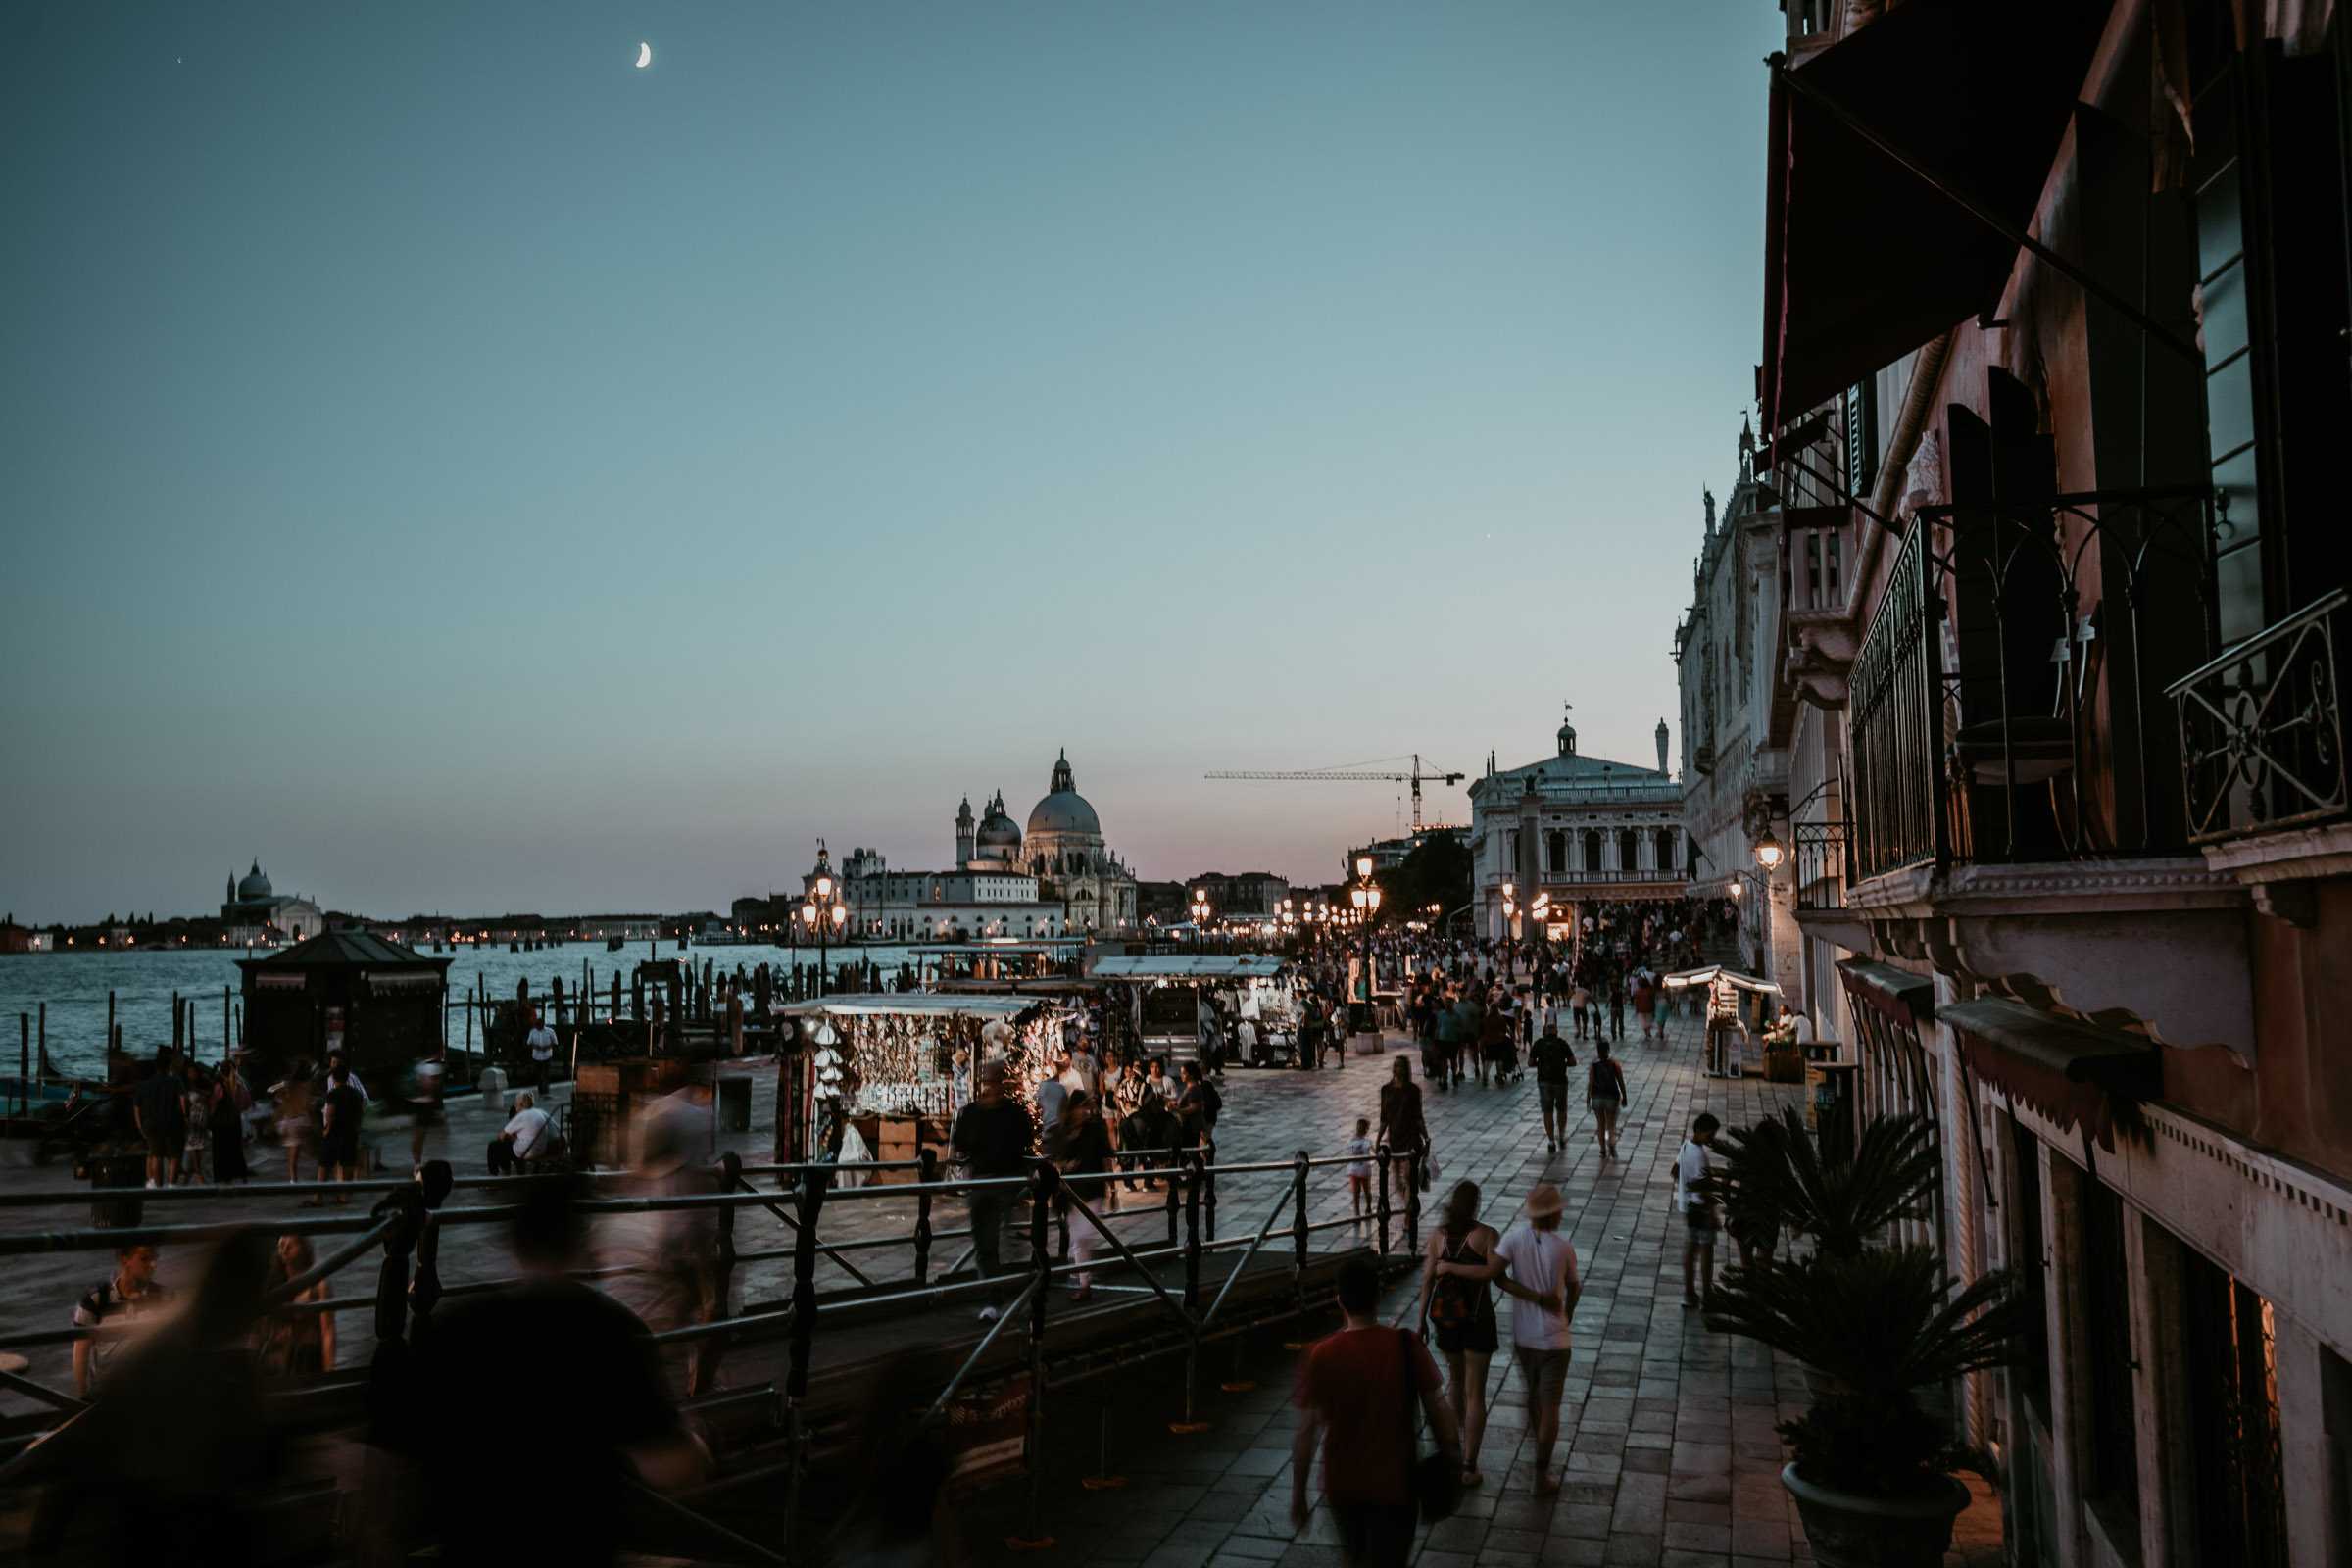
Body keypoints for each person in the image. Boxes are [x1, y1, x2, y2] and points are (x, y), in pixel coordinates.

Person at [407, 1177, 707, 1567]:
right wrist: (697, 1440)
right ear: (581, 1243)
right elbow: (671, 1465)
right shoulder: (608, 1332)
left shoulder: (458, 1326)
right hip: (574, 1549)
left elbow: (395, 1462)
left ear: (515, 1242)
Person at [1290, 1257, 1461, 1568]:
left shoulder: (1321, 1355)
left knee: (1354, 1556)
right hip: (1396, 1482)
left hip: (1342, 1482)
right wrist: (1452, 1455)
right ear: (1378, 1295)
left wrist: (1299, 1493)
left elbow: (1306, 1432)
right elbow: (1439, 1408)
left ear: (1339, 1300)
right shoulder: (1405, 1345)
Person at [1488, 1185, 1578, 1495]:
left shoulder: (1514, 1239)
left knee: (1533, 1397)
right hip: (1555, 1341)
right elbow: (1574, 1287)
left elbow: (1497, 1276)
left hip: (1524, 1338)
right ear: (1553, 1214)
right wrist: (1563, 1311)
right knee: (1551, 1405)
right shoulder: (1563, 1247)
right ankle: (1541, 1473)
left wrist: (1532, 1297)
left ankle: (1536, 1448)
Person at [1416, 1181, 1499, 1488]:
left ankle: (1453, 1450)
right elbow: (1493, 1273)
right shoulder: (1487, 1235)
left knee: (1455, 1382)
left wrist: (1421, 1319)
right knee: (1475, 1393)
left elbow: (1427, 1279)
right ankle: (1469, 1465)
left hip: (1446, 1321)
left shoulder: (1438, 1237)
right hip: (1478, 1321)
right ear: (1475, 1205)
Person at [951, 1061, 1031, 1322]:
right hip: (983, 1184)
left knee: (1007, 1242)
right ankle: (994, 1297)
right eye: (990, 1080)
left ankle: (1011, 1294)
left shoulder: (1014, 1114)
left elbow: (1024, 1144)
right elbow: (960, 1146)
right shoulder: (972, 1113)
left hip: (1007, 1184)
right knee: (986, 1243)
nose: (993, 1085)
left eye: (997, 1080)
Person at [71, 1242, 168, 1397]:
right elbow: (81, 1352)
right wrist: (82, 1396)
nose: (153, 1264)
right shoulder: (96, 1299)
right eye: (144, 1259)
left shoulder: (163, 1297)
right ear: (125, 1260)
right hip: (107, 1393)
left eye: (155, 1258)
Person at [1050, 1090, 1113, 1300]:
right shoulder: (1064, 1132)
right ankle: (1084, 1283)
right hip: (1071, 1191)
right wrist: (1066, 1165)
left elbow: (1106, 1157)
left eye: (1087, 1106)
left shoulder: (1095, 1128)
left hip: (1093, 1187)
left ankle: (1081, 1271)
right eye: (1081, 1106)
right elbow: (1057, 1159)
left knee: (1083, 1236)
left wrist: (1112, 1186)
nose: (1085, 1111)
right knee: (1078, 1239)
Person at [260, 1232, 335, 1377]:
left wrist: (329, 1370)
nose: (285, 1246)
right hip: (279, 1357)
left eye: (291, 1243)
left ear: (303, 1247)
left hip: (306, 1356)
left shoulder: (319, 1285)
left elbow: (328, 1330)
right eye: (282, 1242)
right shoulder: (274, 1281)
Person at [1677, 1113, 1722, 1307]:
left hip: (1690, 1207)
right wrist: (1712, 1213)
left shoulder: (1685, 1147)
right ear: (1700, 1131)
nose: (1712, 1140)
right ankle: (1707, 1295)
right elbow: (1703, 1188)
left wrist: (1684, 1188)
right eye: (1710, 1135)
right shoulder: (1700, 1156)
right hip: (1702, 1209)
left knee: (1691, 1249)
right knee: (1706, 1252)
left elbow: (1674, 1170)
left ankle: (1689, 1293)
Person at [1375, 1056, 1425, 1211]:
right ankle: (1408, 1205)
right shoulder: (1386, 1090)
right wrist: (1378, 1140)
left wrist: (1426, 1136)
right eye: (1395, 1066)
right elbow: (1384, 1118)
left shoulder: (1413, 1090)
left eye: (1401, 1066)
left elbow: (1418, 1116)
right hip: (1395, 1136)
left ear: (1406, 1069)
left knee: (1409, 1178)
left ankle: (1408, 1217)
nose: (1397, 1069)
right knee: (1396, 1180)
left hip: (1411, 1136)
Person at [133, 1049, 184, 1189]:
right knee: (174, 1155)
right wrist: (185, 1119)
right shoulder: (175, 1082)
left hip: (150, 1124)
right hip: (171, 1123)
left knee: (156, 1155)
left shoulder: (143, 1085)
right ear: (169, 1067)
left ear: (155, 1067)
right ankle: (172, 1184)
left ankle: (157, 1184)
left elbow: (137, 1108)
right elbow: (183, 1102)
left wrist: (140, 1126)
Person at [318, 1062, 366, 1201]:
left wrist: (327, 1129)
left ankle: (318, 1196)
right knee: (348, 1163)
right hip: (350, 1132)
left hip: (335, 1132)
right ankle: (345, 1196)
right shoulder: (356, 1093)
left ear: (334, 1078)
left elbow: (330, 1113)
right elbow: (360, 1112)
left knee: (324, 1164)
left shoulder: (333, 1093)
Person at [1529, 1020, 1575, 1154]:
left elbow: (1530, 1063)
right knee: (1561, 1110)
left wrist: (1540, 1064)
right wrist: (1563, 1064)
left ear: (1544, 1031)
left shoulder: (1538, 1044)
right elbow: (1573, 1062)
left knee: (1547, 1111)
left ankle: (1551, 1141)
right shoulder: (1562, 1043)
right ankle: (1561, 1136)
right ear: (1556, 1032)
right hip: (1560, 1081)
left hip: (1544, 1081)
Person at [489, 1091, 555, 1174]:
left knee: (494, 1146)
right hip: (541, 1149)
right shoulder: (538, 1112)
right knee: (511, 1145)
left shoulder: (522, 1115)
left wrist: (508, 1136)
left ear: (521, 1104)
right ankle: (515, 1171)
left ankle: (496, 1175)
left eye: (516, 1103)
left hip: (528, 1152)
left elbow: (501, 1135)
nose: (515, 1106)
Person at [272, 1063, 316, 1187]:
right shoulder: (306, 1087)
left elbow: (271, 1090)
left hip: (290, 1121)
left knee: (292, 1155)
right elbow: (309, 1105)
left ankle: (293, 1179)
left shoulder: (287, 1086)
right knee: (307, 1149)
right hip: (303, 1120)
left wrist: (281, 1085)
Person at [209, 1064, 251, 1184]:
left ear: (221, 1072)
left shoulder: (219, 1086)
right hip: (235, 1121)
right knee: (235, 1149)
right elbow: (247, 1103)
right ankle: (240, 1175)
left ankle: (223, 1178)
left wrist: (210, 1119)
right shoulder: (239, 1085)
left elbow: (213, 1103)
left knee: (220, 1151)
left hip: (221, 1122)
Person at [1588, 1041, 1628, 1160]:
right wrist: (1624, 1096)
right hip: (1612, 1097)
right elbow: (1620, 1081)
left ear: (1598, 1051)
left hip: (1597, 1097)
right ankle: (1611, 1143)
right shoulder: (1614, 1064)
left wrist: (1588, 1098)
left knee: (1600, 1124)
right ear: (1608, 1050)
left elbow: (1590, 1083)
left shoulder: (1594, 1065)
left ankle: (1602, 1150)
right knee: (1611, 1124)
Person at [408, 1050, 446, 1173]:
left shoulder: (428, 1067)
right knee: (419, 1137)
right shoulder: (428, 1067)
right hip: (422, 1106)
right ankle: (418, 1163)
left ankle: (419, 1164)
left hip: (425, 1106)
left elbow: (434, 1091)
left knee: (420, 1137)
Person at [177, 1062, 211, 1186]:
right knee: (193, 1148)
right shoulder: (185, 1086)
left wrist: (196, 1090)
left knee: (198, 1148)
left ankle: (191, 1177)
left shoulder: (203, 1084)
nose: (191, 1074)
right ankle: (198, 1175)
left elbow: (208, 1097)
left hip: (201, 1118)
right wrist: (185, 1117)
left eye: (193, 1072)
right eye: (189, 1072)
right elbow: (183, 1103)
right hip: (192, 1119)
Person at [1345, 1116, 1374, 1222]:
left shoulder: (1363, 1141)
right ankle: (1362, 1211)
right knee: (1361, 1191)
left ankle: (1363, 1210)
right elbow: (1374, 1152)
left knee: (1362, 1192)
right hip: (1359, 1170)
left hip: (1359, 1170)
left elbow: (1352, 1153)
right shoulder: (1360, 1140)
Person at [524, 1013, 559, 1098]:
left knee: (546, 1074)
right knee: (538, 1074)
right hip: (536, 1056)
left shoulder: (550, 1031)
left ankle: (546, 1090)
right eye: (536, 1025)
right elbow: (529, 1043)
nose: (537, 1027)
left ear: (543, 1024)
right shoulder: (532, 1032)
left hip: (547, 1055)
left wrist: (547, 1047)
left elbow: (555, 1042)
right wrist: (536, 1047)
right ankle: (540, 1091)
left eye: (539, 1025)